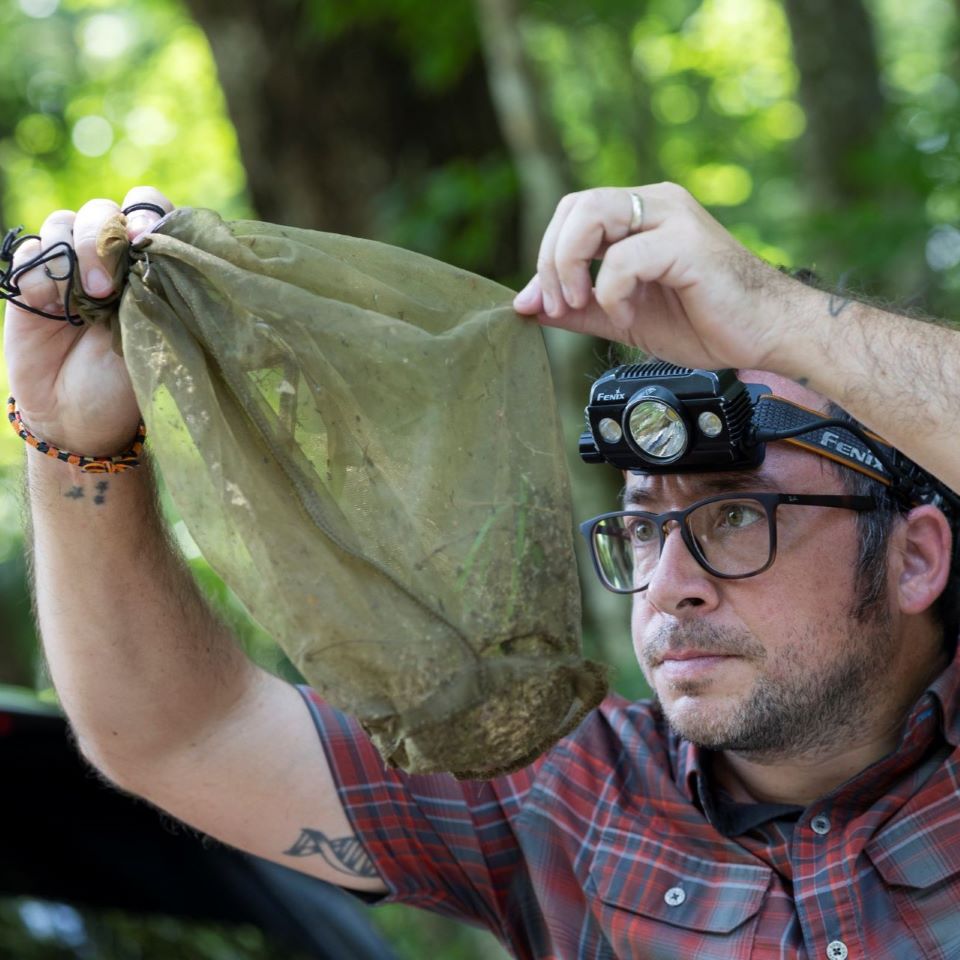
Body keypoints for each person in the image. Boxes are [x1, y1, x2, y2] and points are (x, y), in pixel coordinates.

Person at [5, 182, 960, 960]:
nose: (673, 582)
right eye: (641, 528)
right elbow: (183, 736)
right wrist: (70, 441)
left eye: (737, 516)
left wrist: (782, 319)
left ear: (916, 559)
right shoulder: (568, 790)